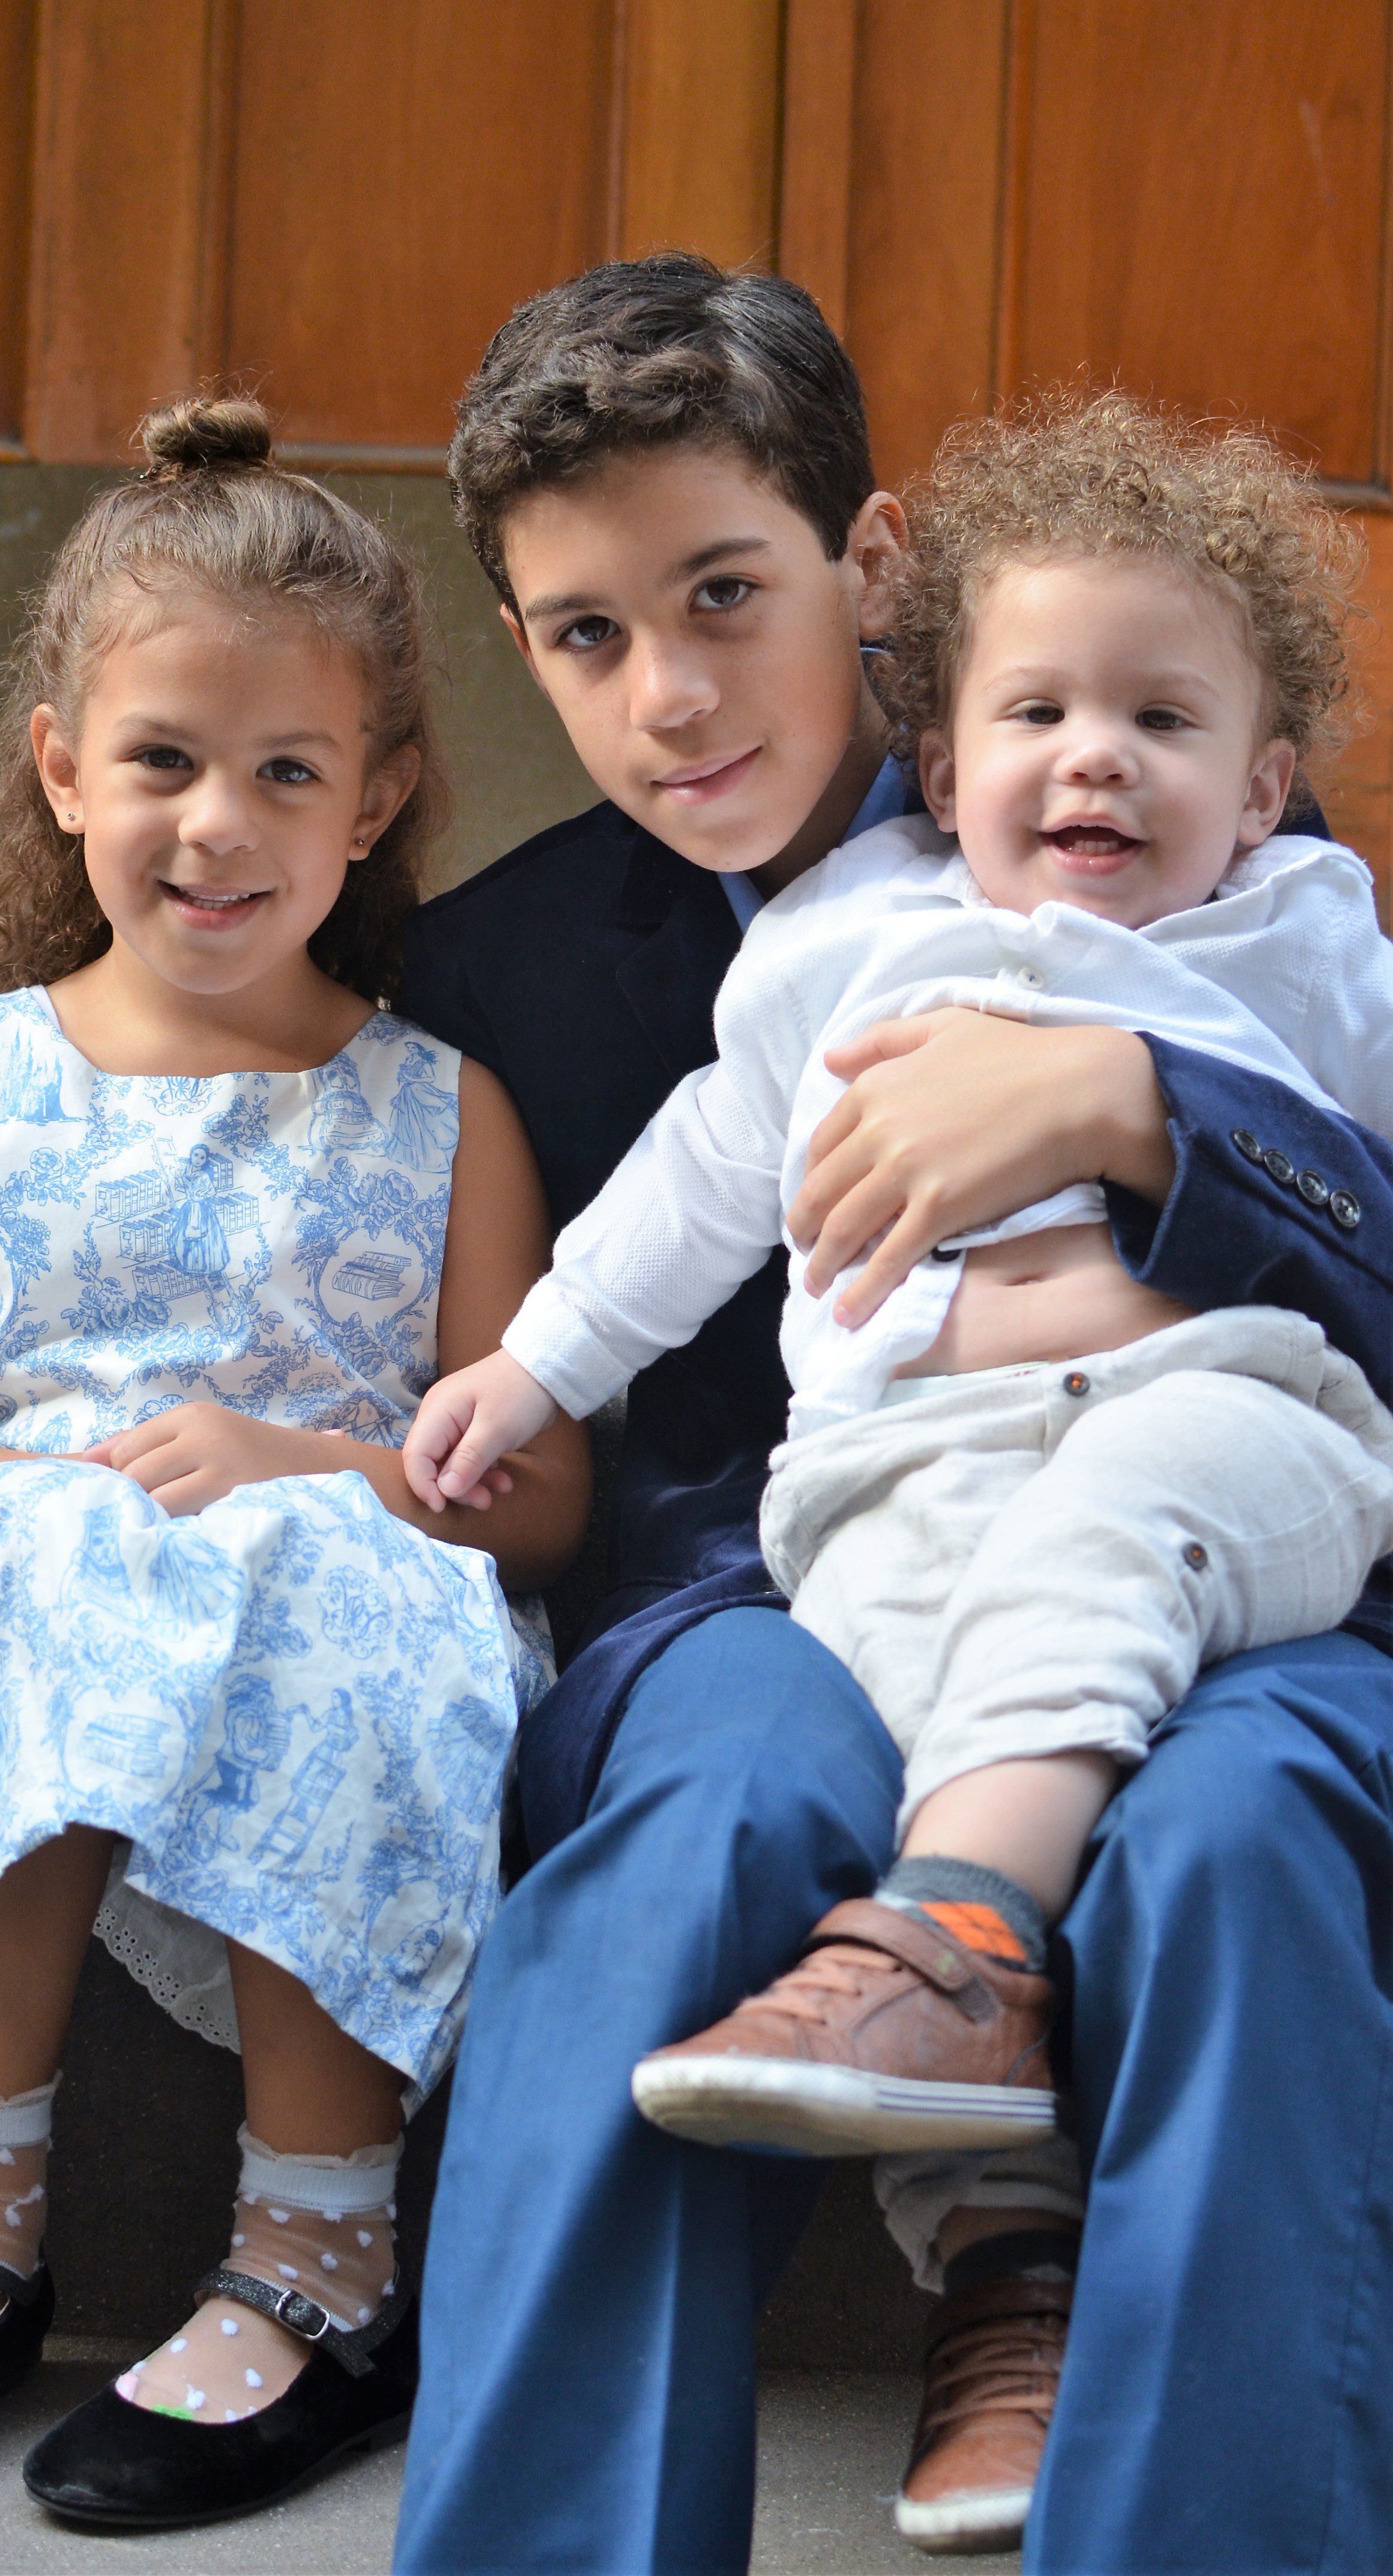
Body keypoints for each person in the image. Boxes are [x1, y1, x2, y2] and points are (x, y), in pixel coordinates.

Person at [0, 262, 1393, 2571]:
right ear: (517, 650)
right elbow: (227, 1111)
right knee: (689, 1827)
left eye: (725, 596)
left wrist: (1135, 1106)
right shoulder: (498, 973)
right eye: (586, 636)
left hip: (1229, 1519)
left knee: (1238, 1832)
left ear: (873, 562)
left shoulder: (1165, 817)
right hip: (758, 1578)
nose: (669, 695)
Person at [0, 395, 590, 2531]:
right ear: (62, 767)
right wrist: (48, 1509)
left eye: (286, 769)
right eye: (164, 757)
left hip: (350, 1618)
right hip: (53, 1589)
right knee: (16, 1566)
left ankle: (319, 2254)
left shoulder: (443, 1112)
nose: (216, 821)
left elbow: (538, 1502)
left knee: (331, 1579)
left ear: (375, 799)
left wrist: (304, 1466)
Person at [406, 395, 1393, 2222]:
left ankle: (959, 1925)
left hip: (1221, 1417)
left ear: (1259, 790)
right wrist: (531, 1364)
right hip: (911, 1456)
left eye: (1160, 723)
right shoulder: (838, 940)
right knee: (917, 1715)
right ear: (943, 769)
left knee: (1109, 1550)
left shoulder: (1293, 927)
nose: (1096, 760)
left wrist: (1144, 1103)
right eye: (1038, 715)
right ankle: (991, 2240)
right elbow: (703, 1174)